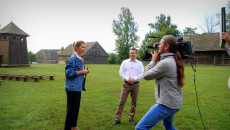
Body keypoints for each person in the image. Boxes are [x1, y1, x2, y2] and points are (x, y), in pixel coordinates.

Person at [135, 35, 184, 130]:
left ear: (166, 47)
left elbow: (145, 76)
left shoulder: (166, 63)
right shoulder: (173, 59)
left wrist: (153, 61)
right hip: (174, 103)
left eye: (160, 44)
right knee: (168, 126)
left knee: (140, 128)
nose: (158, 46)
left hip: (166, 104)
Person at [112, 48, 144, 125]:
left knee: (134, 102)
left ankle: (131, 118)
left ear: (136, 54)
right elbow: (121, 72)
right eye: (130, 53)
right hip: (126, 84)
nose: (132, 54)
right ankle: (117, 119)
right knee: (121, 102)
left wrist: (134, 79)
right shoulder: (125, 62)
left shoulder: (140, 63)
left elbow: (142, 73)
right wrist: (127, 79)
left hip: (135, 85)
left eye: (133, 53)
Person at [64, 41, 90, 130]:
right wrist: (83, 71)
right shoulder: (73, 58)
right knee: (71, 111)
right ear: (77, 48)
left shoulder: (80, 58)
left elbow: (78, 72)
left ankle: (74, 127)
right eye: (83, 47)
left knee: (75, 110)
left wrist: (84, 73)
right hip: (72, 88)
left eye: (84, 47)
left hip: (77, 87)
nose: (84, 49)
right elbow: (69, 73)